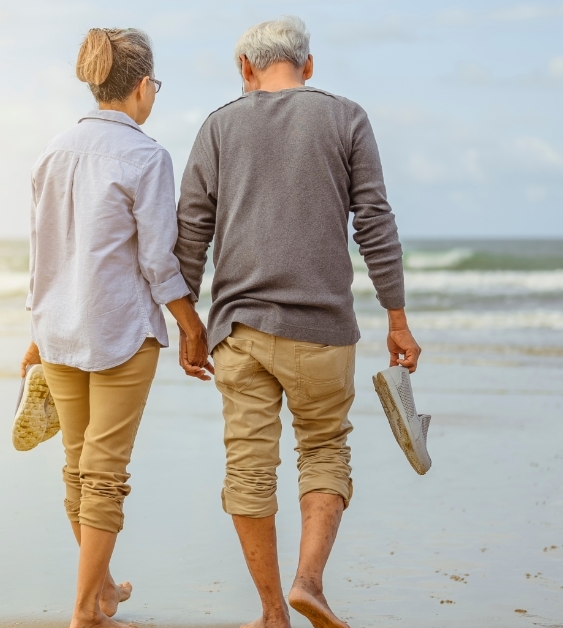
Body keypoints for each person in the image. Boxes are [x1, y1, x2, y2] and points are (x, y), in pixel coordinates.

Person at [173, 16, 423, 628]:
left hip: (240, 331)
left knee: (248, 466)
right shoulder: (346, 117)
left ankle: (270, 613)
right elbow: (375, 223)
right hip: (323, 330)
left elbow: (190, 234)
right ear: (308, 66)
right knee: (324, 448)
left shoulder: (218, 126)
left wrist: (189, 325)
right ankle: (308, 583)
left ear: (245, 69)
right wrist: (396, 317)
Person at [20, 27, 210, 628]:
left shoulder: (52, 152)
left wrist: (36, 331)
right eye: (156, 85)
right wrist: (190, 324)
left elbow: (42, 255)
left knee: (79, 466)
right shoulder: (147, 156)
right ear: (142, 86)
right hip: (120, 331)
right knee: (103, 473)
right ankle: (86, 613)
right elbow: (157, 260)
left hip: (58, 330)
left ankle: (101, 591)